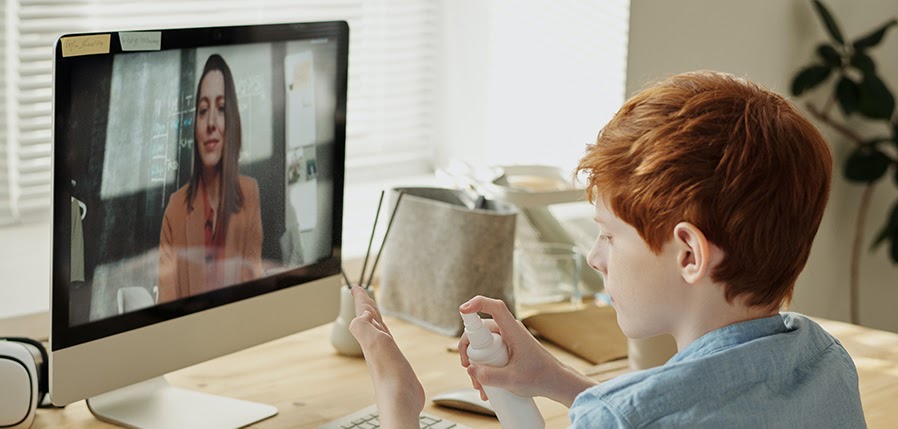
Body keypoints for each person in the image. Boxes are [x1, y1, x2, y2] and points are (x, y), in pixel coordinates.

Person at [348, 71, 866, 427]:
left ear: (689, 255)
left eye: (610, 235)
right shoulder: (825, 362)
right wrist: (555, 380)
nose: (596, 256)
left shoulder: (625, 417)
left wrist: (398, 403)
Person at [158, 54, 263, 303]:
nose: (211, 123)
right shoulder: (175, 208)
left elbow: (252, 292)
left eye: (221, 109)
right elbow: (166, 308)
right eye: (203, 111)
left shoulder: (250, 193)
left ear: (233, 121)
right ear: (195, 126)